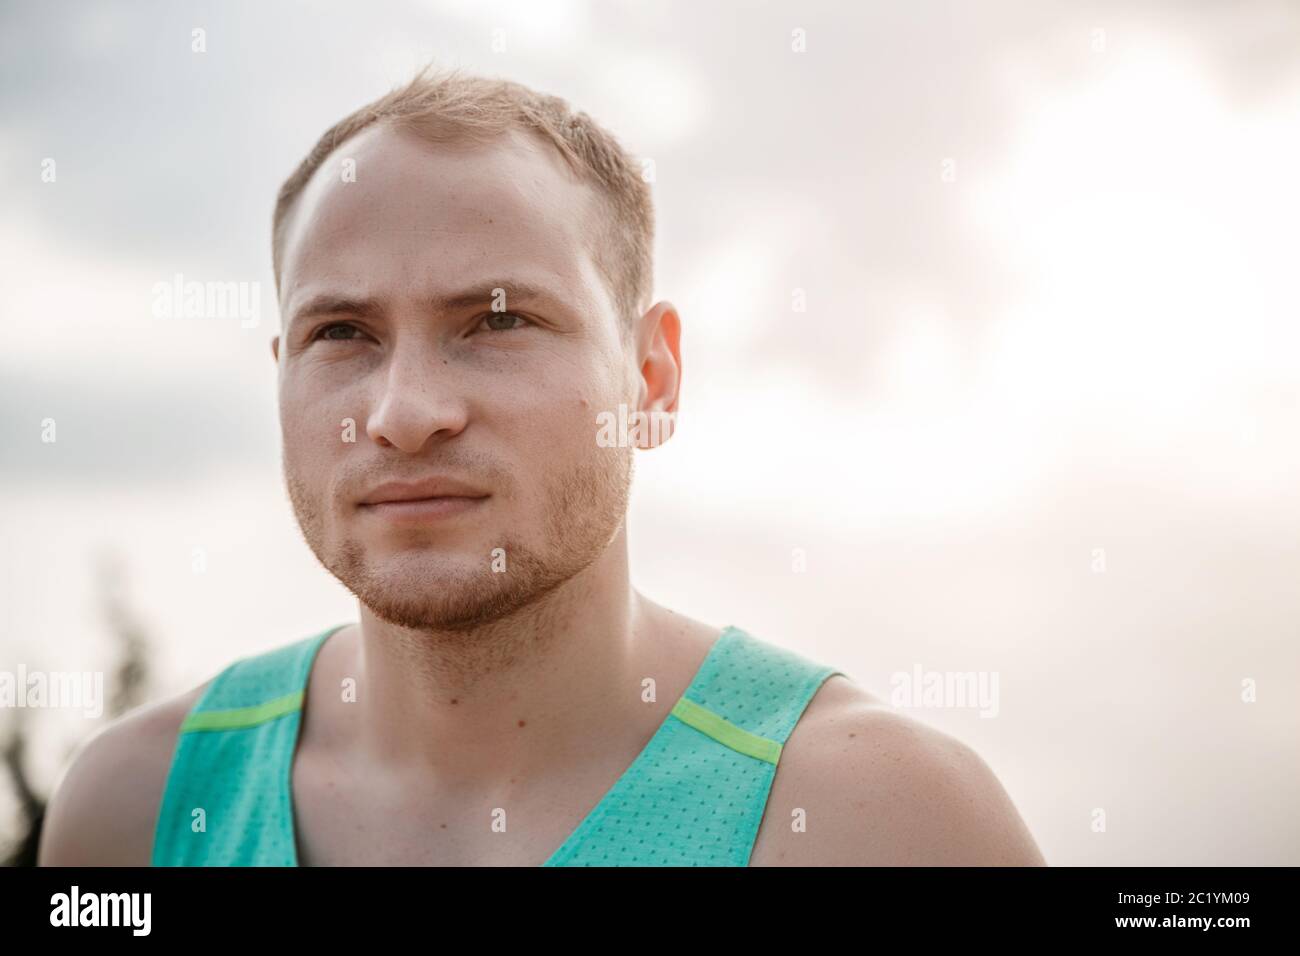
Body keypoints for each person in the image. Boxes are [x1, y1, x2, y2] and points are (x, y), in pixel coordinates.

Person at [38, 65, 1045, 866]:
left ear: (650, 379)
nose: (403, 412)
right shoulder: (141, 807)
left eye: (498, 319)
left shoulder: (880, 820)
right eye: (342, 332)